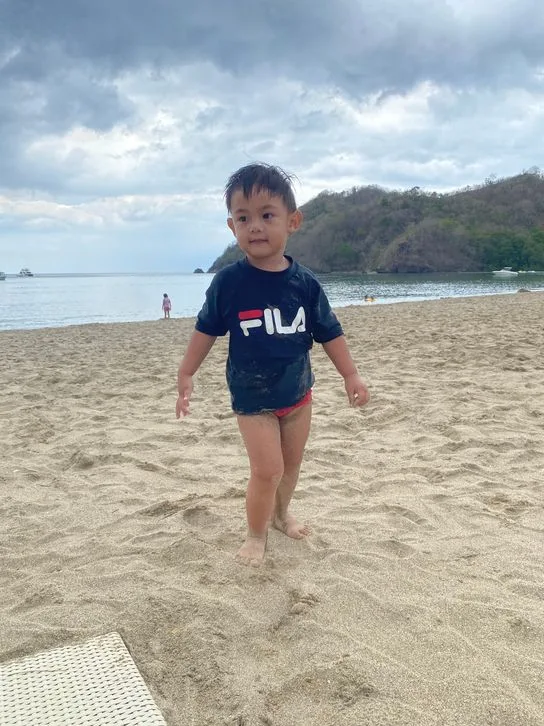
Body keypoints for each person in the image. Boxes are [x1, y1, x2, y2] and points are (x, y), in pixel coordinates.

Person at [176, 163, 370, 565]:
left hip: (298, 393)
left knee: (292, 465)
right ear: (232, 227)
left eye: (267, 215)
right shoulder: (229, 283)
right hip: (252, 398)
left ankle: (282, 515)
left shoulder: (305, 284)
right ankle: (255, 534)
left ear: (292, 221)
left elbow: (329, 332)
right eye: (244, 218)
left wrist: (350, 373)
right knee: (267, 470)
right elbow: (206, 329)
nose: (255, 226)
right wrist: (187, 372)